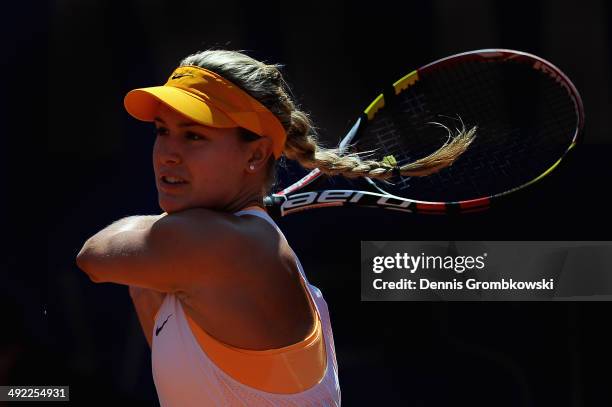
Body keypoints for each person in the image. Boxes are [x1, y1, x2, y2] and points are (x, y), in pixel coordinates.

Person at [75, 49, 472, 406]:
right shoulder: (205, 249)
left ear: (256, 155)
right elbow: (136, 277)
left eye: (193, 135)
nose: (168, 154)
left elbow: (94, 257)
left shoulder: (229, 248)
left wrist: (165, 228)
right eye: (163, 131)